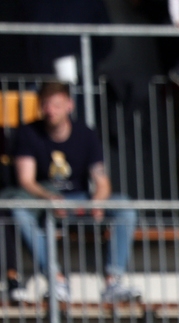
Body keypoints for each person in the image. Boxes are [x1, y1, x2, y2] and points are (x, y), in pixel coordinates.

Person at [6, 82, 139, 303]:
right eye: (46, 105)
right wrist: (50, 199)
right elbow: (26, 180)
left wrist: (98, 202)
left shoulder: (85, 134)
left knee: (124, 206)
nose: (51, 111)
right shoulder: (28, 133)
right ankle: (56, 279)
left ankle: (113, 281)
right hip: (42, 200)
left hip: (79, 198)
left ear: (69, 105)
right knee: (19, 211)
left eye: (56, 105)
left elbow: (101, 180)